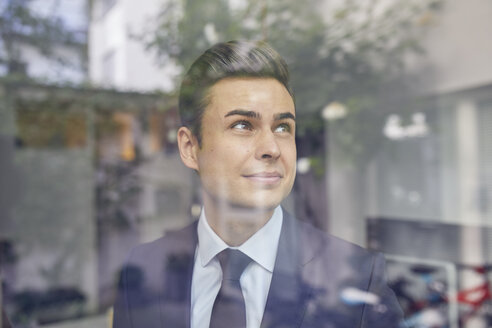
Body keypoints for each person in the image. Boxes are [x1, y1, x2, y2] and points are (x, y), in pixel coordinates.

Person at [113, 40, 404, 328]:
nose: (272, 148)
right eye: (242, 125)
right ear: (190, 147)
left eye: (282, 127)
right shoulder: (142, 269)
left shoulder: (357, 276)